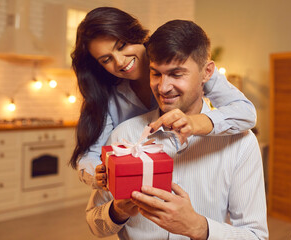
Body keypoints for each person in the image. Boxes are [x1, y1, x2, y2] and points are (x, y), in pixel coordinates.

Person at [85, 20, 268, 239]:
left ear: (207, 72)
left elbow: (256, 236)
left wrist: (198, 227)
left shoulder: (240, 143)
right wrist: (118, 211)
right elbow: (96, 226)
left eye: (177, 74)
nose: (163, 87)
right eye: (156, 74)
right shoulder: (124, 137)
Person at [69, 7, 257, 189]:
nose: (120, 61)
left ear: (137, 35)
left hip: (191, 168)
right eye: (106, 60)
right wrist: (99, 175)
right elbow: (89, 156)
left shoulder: (181, 61)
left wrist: (194, 122)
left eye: (122, 46)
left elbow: (245, 112)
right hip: (141, 182)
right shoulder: (108, 96)